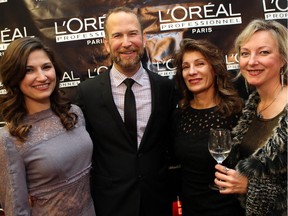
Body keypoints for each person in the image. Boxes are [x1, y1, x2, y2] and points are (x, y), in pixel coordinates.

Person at [76, 6, 176, 216]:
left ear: (144, 37)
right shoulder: (87, 92)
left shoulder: (165, 88)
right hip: (110, 204)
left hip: (157, 202)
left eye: (132, 34)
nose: (126, 43)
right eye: (117, 35)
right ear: (106, 43)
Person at [0, 37, 95, 216]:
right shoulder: (9, 138)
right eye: (29, 70)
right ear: (14, 77)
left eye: (46, 67)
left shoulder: (74, 113)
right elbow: (16, 208)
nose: (42, 77)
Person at [214, 19, 287, 215]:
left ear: (282, 59)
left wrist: (251, 187)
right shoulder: (252, 105)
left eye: (263, 52)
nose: (252, 61)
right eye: (245, 53)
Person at [173, 38, 245, 216]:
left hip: (229, 210)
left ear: (214, 69)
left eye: (200, 64)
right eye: (186, 67)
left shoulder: (238, 112)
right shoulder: (178, 115)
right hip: (191, 210)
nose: (192, 72)